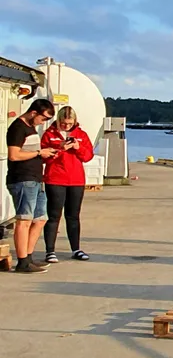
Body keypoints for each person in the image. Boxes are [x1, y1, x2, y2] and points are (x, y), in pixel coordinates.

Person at [6, 98, 58, 273]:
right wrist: (38, 152)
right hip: (22, 178)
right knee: (24, 220)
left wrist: (47, 153)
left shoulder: (31, 128)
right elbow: (14, 155)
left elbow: (31, 153)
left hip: (36, 178)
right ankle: (22, 261)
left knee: (40, 218)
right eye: (43, 119)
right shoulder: (18, 128)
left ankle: (28, 256)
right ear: (34, 112)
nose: (44, 122)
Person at [41, 105, 95, 263]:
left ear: (74, 122)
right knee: (53, 215)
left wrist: (78, 147)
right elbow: (44, 157)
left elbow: (87, 156)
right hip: (55, 178)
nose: (66, 126)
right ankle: (50, 251)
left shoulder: (81, 135)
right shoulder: (49, 134)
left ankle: (76, 248)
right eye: (63, 123)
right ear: (58, 121)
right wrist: (60, 148)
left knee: (73, 216)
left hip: (76, 180)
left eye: (69, 124)